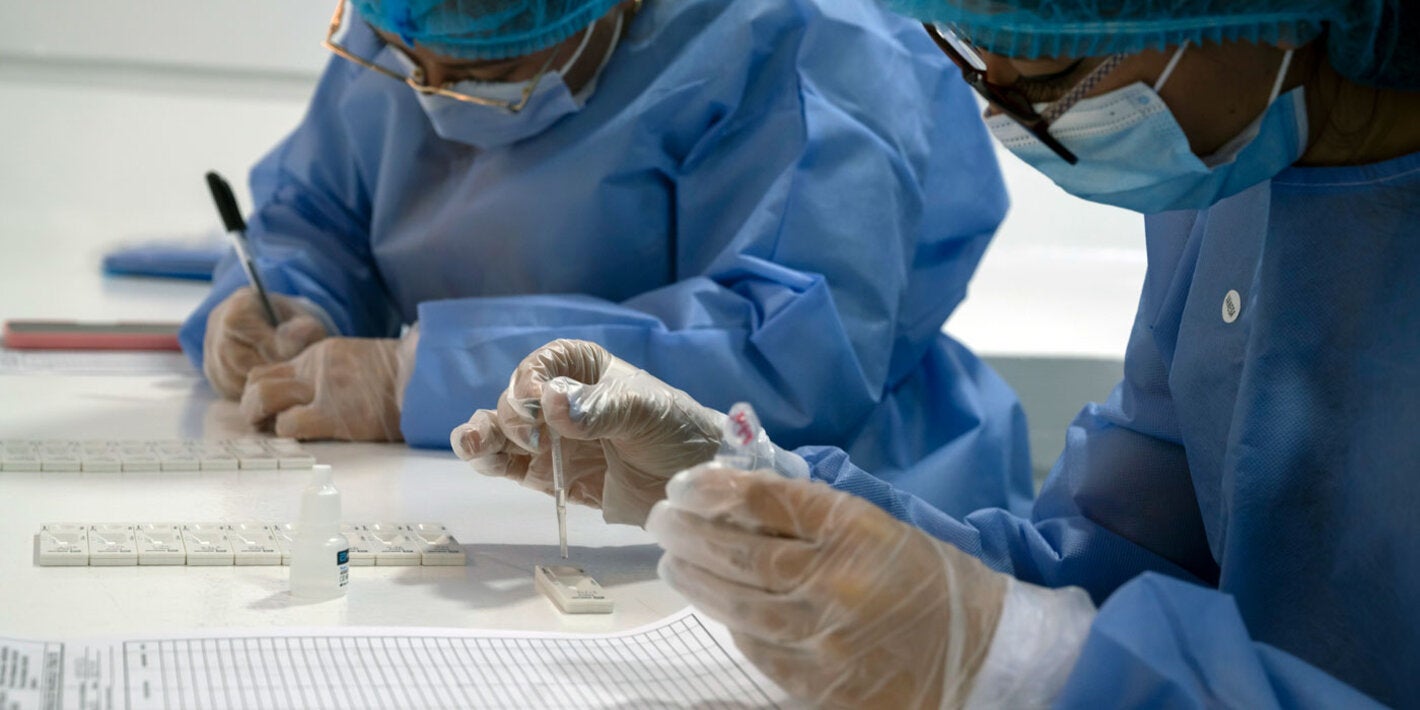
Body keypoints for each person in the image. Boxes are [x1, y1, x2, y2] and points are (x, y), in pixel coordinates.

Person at [454, 0, 1420, 704]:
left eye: (1047, 76)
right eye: (974, 61)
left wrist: (1034, 668)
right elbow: (1123, 564)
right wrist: (748, 477)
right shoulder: (1233, 191)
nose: (1006, 112)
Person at [181, 0, 1034, 517]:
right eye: (406, 60)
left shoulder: (809, 38)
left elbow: (790, 355)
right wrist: (287, 295)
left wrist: (421, 376)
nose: (431, 92)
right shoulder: (420, 22)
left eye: (491, 70)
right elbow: (318, 205)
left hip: (813, 498)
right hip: (459, 485)